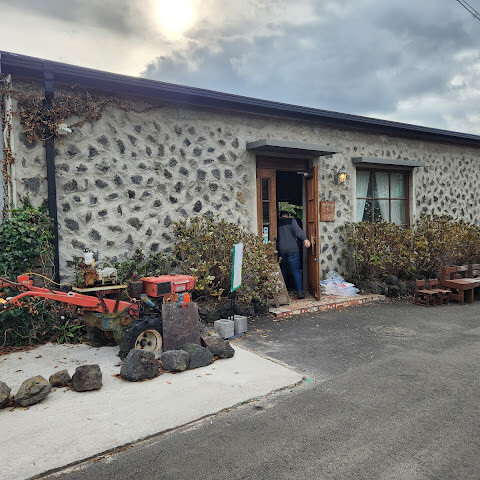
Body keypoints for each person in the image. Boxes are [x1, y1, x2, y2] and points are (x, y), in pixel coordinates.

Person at [277, 211, 311, 299]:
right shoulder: (291, 221)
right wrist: (305, 239)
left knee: (283, 270)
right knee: (296, 271)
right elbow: (298, 231)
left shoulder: (277, 222)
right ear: (288, 216)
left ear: (280, 216)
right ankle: (300, 292)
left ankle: (283, 292)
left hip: (281, 250)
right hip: (293, 249)